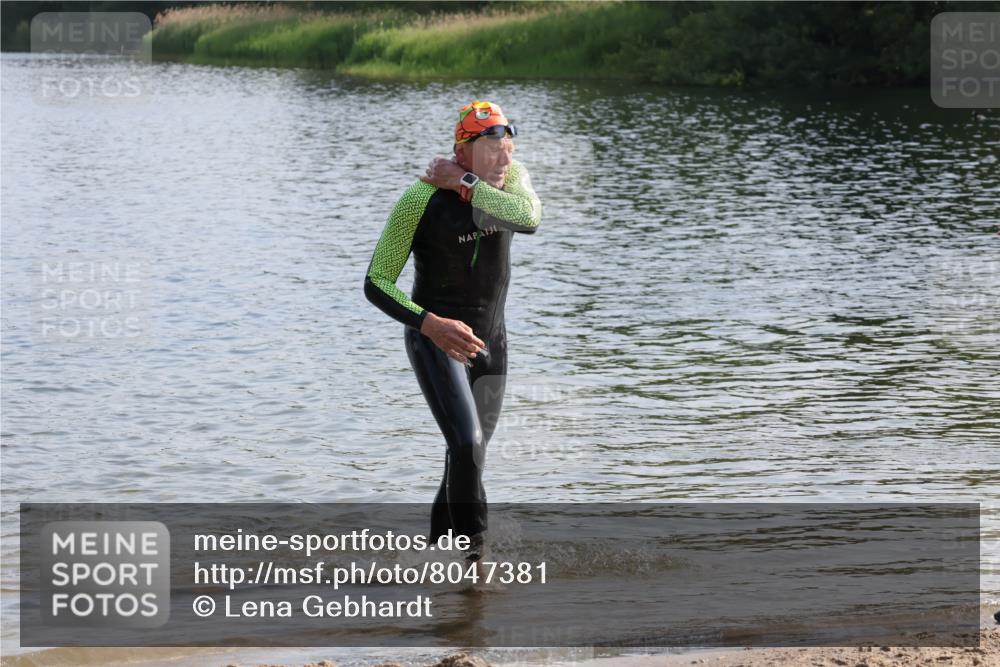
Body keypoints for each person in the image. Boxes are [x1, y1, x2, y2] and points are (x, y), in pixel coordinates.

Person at [363, 100, 542, 567]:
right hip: (435, 340)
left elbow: (529, 219)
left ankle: (435, 558)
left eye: (508, 148)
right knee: (466, 444)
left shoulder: (511, 182)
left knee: (467, 456)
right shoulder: (418, 200)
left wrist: (467, 185)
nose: (504, 161)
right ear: (461, 149)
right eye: (492, 151)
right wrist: (430, 323)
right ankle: (476, 571)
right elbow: (376, 281)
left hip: (491, 343)